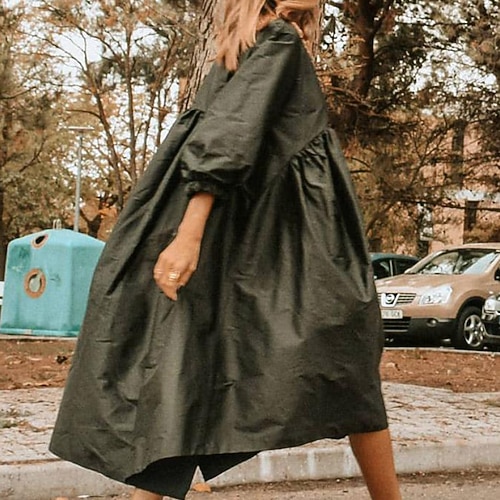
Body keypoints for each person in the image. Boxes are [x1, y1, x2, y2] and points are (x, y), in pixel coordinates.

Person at [50, 1, 402, 499]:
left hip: (249, 238)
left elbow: (239, 140)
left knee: (191, 368)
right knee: (350, 367)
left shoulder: (247, 45)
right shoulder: (278, 40)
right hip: (287, 247)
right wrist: (189, 236)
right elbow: (229, 137)